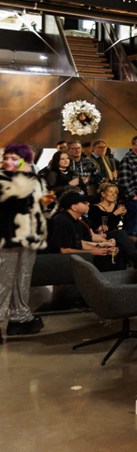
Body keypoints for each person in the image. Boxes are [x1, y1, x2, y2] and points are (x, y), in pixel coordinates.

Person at [1, 144, 51, 343]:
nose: (9, 161)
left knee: (23, 277)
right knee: (3, 280)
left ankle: (19, 316)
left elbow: (46, 204)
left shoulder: (34, 179)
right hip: (6, 236)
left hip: (29, 235)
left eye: (15, 158)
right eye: (7, 158)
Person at [46, 192, 137, 270]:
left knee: (115, 251)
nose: (88, 204)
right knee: (104, 259)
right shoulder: (62, 221)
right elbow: (64, 251)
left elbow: (80, 243)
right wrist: (94, 251)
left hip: (76, 256)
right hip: (59, 261)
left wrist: (103, 247)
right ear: (74, 207)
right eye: (84, 202)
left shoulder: (75, 221)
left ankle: (119, 285)